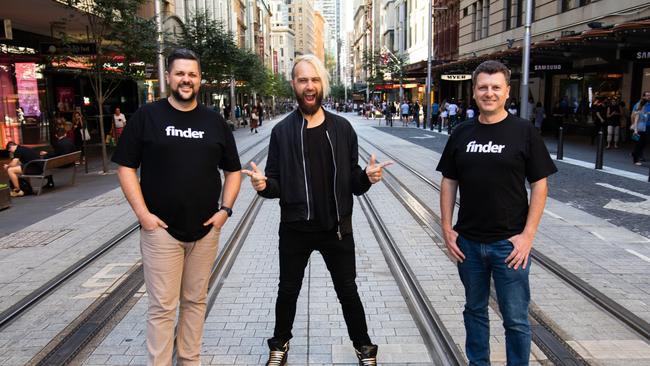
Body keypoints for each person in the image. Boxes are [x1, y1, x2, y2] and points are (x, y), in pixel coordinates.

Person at [241, 54, 390, 366]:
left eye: (314, 79)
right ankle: (279, 345)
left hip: (336, 229)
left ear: (322, 84)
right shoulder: (282, 131)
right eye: (302, 80)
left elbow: (353, 183)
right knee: (288, 291)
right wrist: (263, 186)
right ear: (294, 85)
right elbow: (276, 184)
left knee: (348, 291)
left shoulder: (342, 129)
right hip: (295, 229)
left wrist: (368, 177)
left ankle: (365, 348)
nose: (309, 86)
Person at [112, 48, 242, 365]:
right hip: (161, 232)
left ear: (200, 80)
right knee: (162, 307)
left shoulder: (214, 122)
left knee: (195, 301)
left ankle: (189, 360)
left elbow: (233, 171)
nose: (186, 79)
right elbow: (125, 166)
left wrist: (224, 212)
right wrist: (144, 216)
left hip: (205, 230)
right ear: (168, 77)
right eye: (180, 73)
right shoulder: (146, 117)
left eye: (192, 74)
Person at [437, 60, 557, 366]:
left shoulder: (524, 131)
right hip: (469, 244)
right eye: (483, 87)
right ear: (475, 93)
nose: (489, 93)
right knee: (474, 310)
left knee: (516, 319)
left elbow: (540, 186)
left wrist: (527, 237)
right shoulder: (461, 132)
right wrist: (447, 228)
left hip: (510, 245)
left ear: (507, 92)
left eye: (495, 87)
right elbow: (449, 181)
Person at [631, 91, 650, 166]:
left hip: (644, 128)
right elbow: (635, 119)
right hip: (639, 128)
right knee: (638, 144)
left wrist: (647, 113)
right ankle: (635, 159)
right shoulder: (638, 108)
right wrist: (635, 129)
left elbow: (646, 115)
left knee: (643, 143)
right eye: (648, 95)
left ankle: (635, 154)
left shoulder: (644, 110)